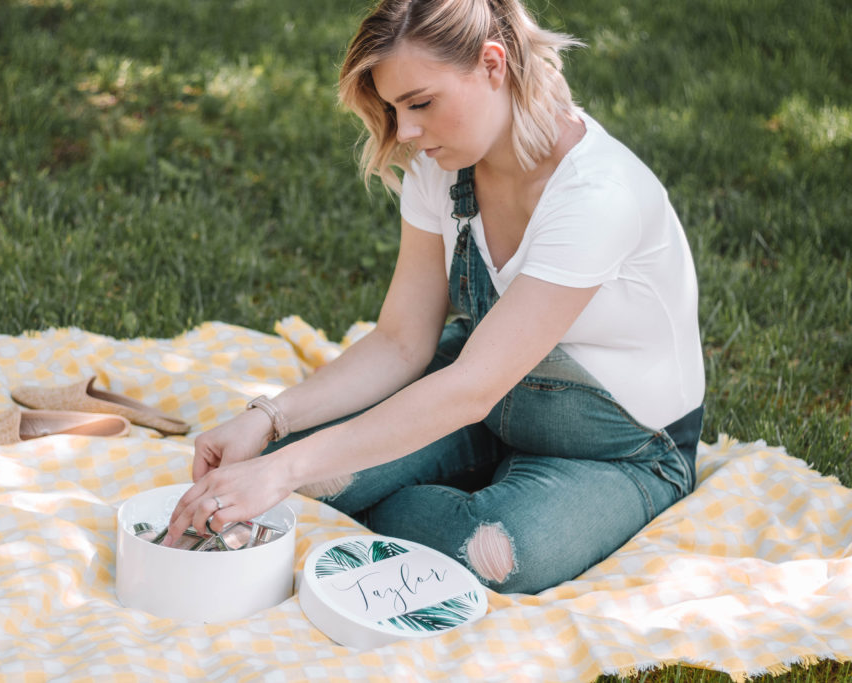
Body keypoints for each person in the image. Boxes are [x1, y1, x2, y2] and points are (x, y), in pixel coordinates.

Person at [167, 0, 705, 594]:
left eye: (420, 103)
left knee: (484, 554)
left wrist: (284, 468)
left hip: (614, 451)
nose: (406, 132)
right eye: (394, 109)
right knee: (304, 477)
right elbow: (401, 342)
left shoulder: (596, 195)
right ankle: (428, 480)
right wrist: (267, 422)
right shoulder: (442, 169)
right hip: (481, 402)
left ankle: (444, 496)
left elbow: (472, 387)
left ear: (493, 64)